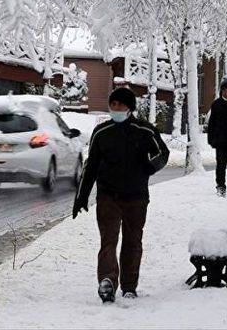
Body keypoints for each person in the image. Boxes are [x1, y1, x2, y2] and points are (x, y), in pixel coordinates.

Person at [72, 86, 170, 303]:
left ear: (130, 108)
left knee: (132, 242)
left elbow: (163, 153)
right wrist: (82, 196)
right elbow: (91, 166)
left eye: (120, 105)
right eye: (113, 104)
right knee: (108, 240)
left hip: (136, 197)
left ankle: (129, 286)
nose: (116, 108)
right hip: (108, 196)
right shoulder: (102, 132)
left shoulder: (144, 130)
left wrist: (149, 167)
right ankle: (107, 281)